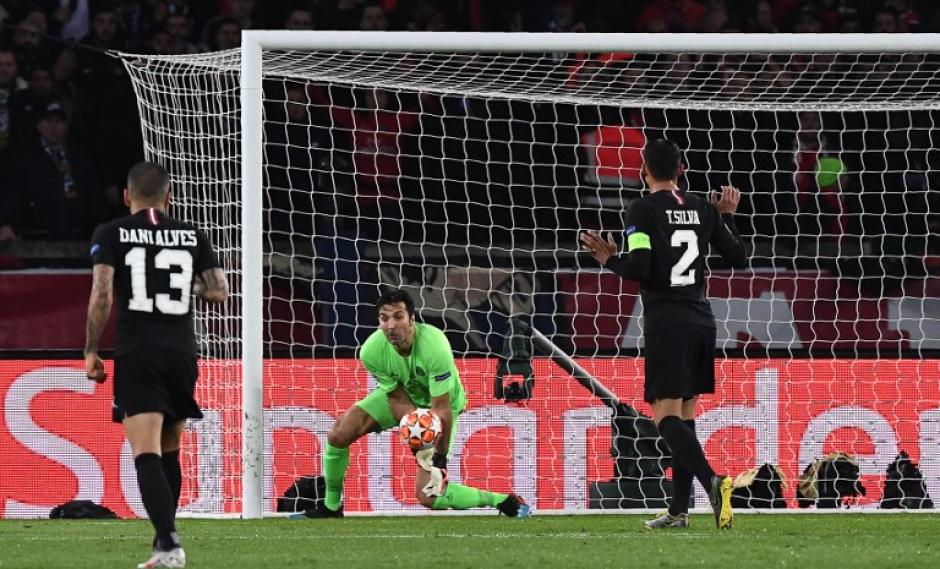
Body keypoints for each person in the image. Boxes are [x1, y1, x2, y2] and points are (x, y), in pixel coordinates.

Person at [580, 139, 746, 530]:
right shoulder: (705, 208)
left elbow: (639, 266)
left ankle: (713, 482)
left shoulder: (642, 209)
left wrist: (609, 260)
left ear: (643, 172)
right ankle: (678, 511)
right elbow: (738, 256)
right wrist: (726, 216)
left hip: (667, 324)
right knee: (684, 417)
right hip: (702, 321)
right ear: (682, 169)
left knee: (663, 419)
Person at [84, 161, 229, 568]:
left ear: (127, 196)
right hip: (182, 352)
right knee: (169, 450)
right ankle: (164, 541)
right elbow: (219, 291)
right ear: (169, 196)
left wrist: (91, 349)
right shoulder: (192, 234)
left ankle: (168, 545)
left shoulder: (110, 233)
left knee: (145, 451)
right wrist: (180, 283)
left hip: (139, 350)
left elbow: (101, 294)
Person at [297, 288, 529, 519]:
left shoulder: (435, 346)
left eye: (398, 317)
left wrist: (439, 459)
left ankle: (501, 500)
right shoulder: (371, 352)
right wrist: (415, 431)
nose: (390, 325)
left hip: (442, 404)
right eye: (384, 318)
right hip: (404, 397)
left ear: (412, 320)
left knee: (429, 496)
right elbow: (396, 397)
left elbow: (441, 407)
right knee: (338, 434)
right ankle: (331, 507)